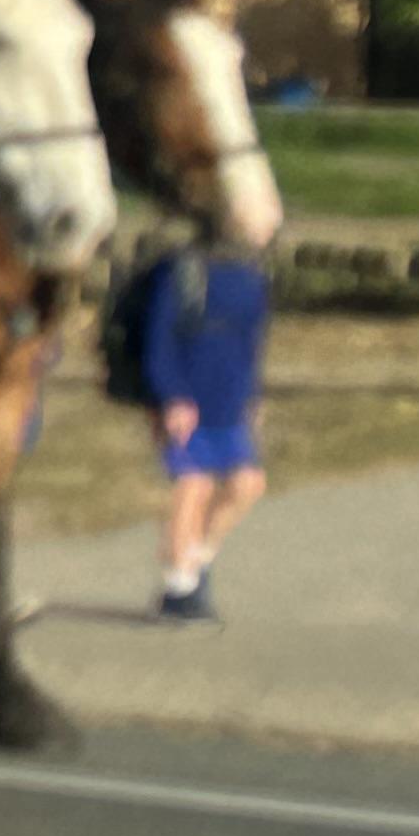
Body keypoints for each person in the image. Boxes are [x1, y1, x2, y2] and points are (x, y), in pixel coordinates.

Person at [142, 247, 272, 622]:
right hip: (184, 403)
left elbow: (251, 344)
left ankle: (194, 556)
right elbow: (159, 341)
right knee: (193, 485)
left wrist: (252, 397)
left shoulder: (252, 275)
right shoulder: (182, 273)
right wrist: (171, 396)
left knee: (248, 484)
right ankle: (178, 589)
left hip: (229, 399)